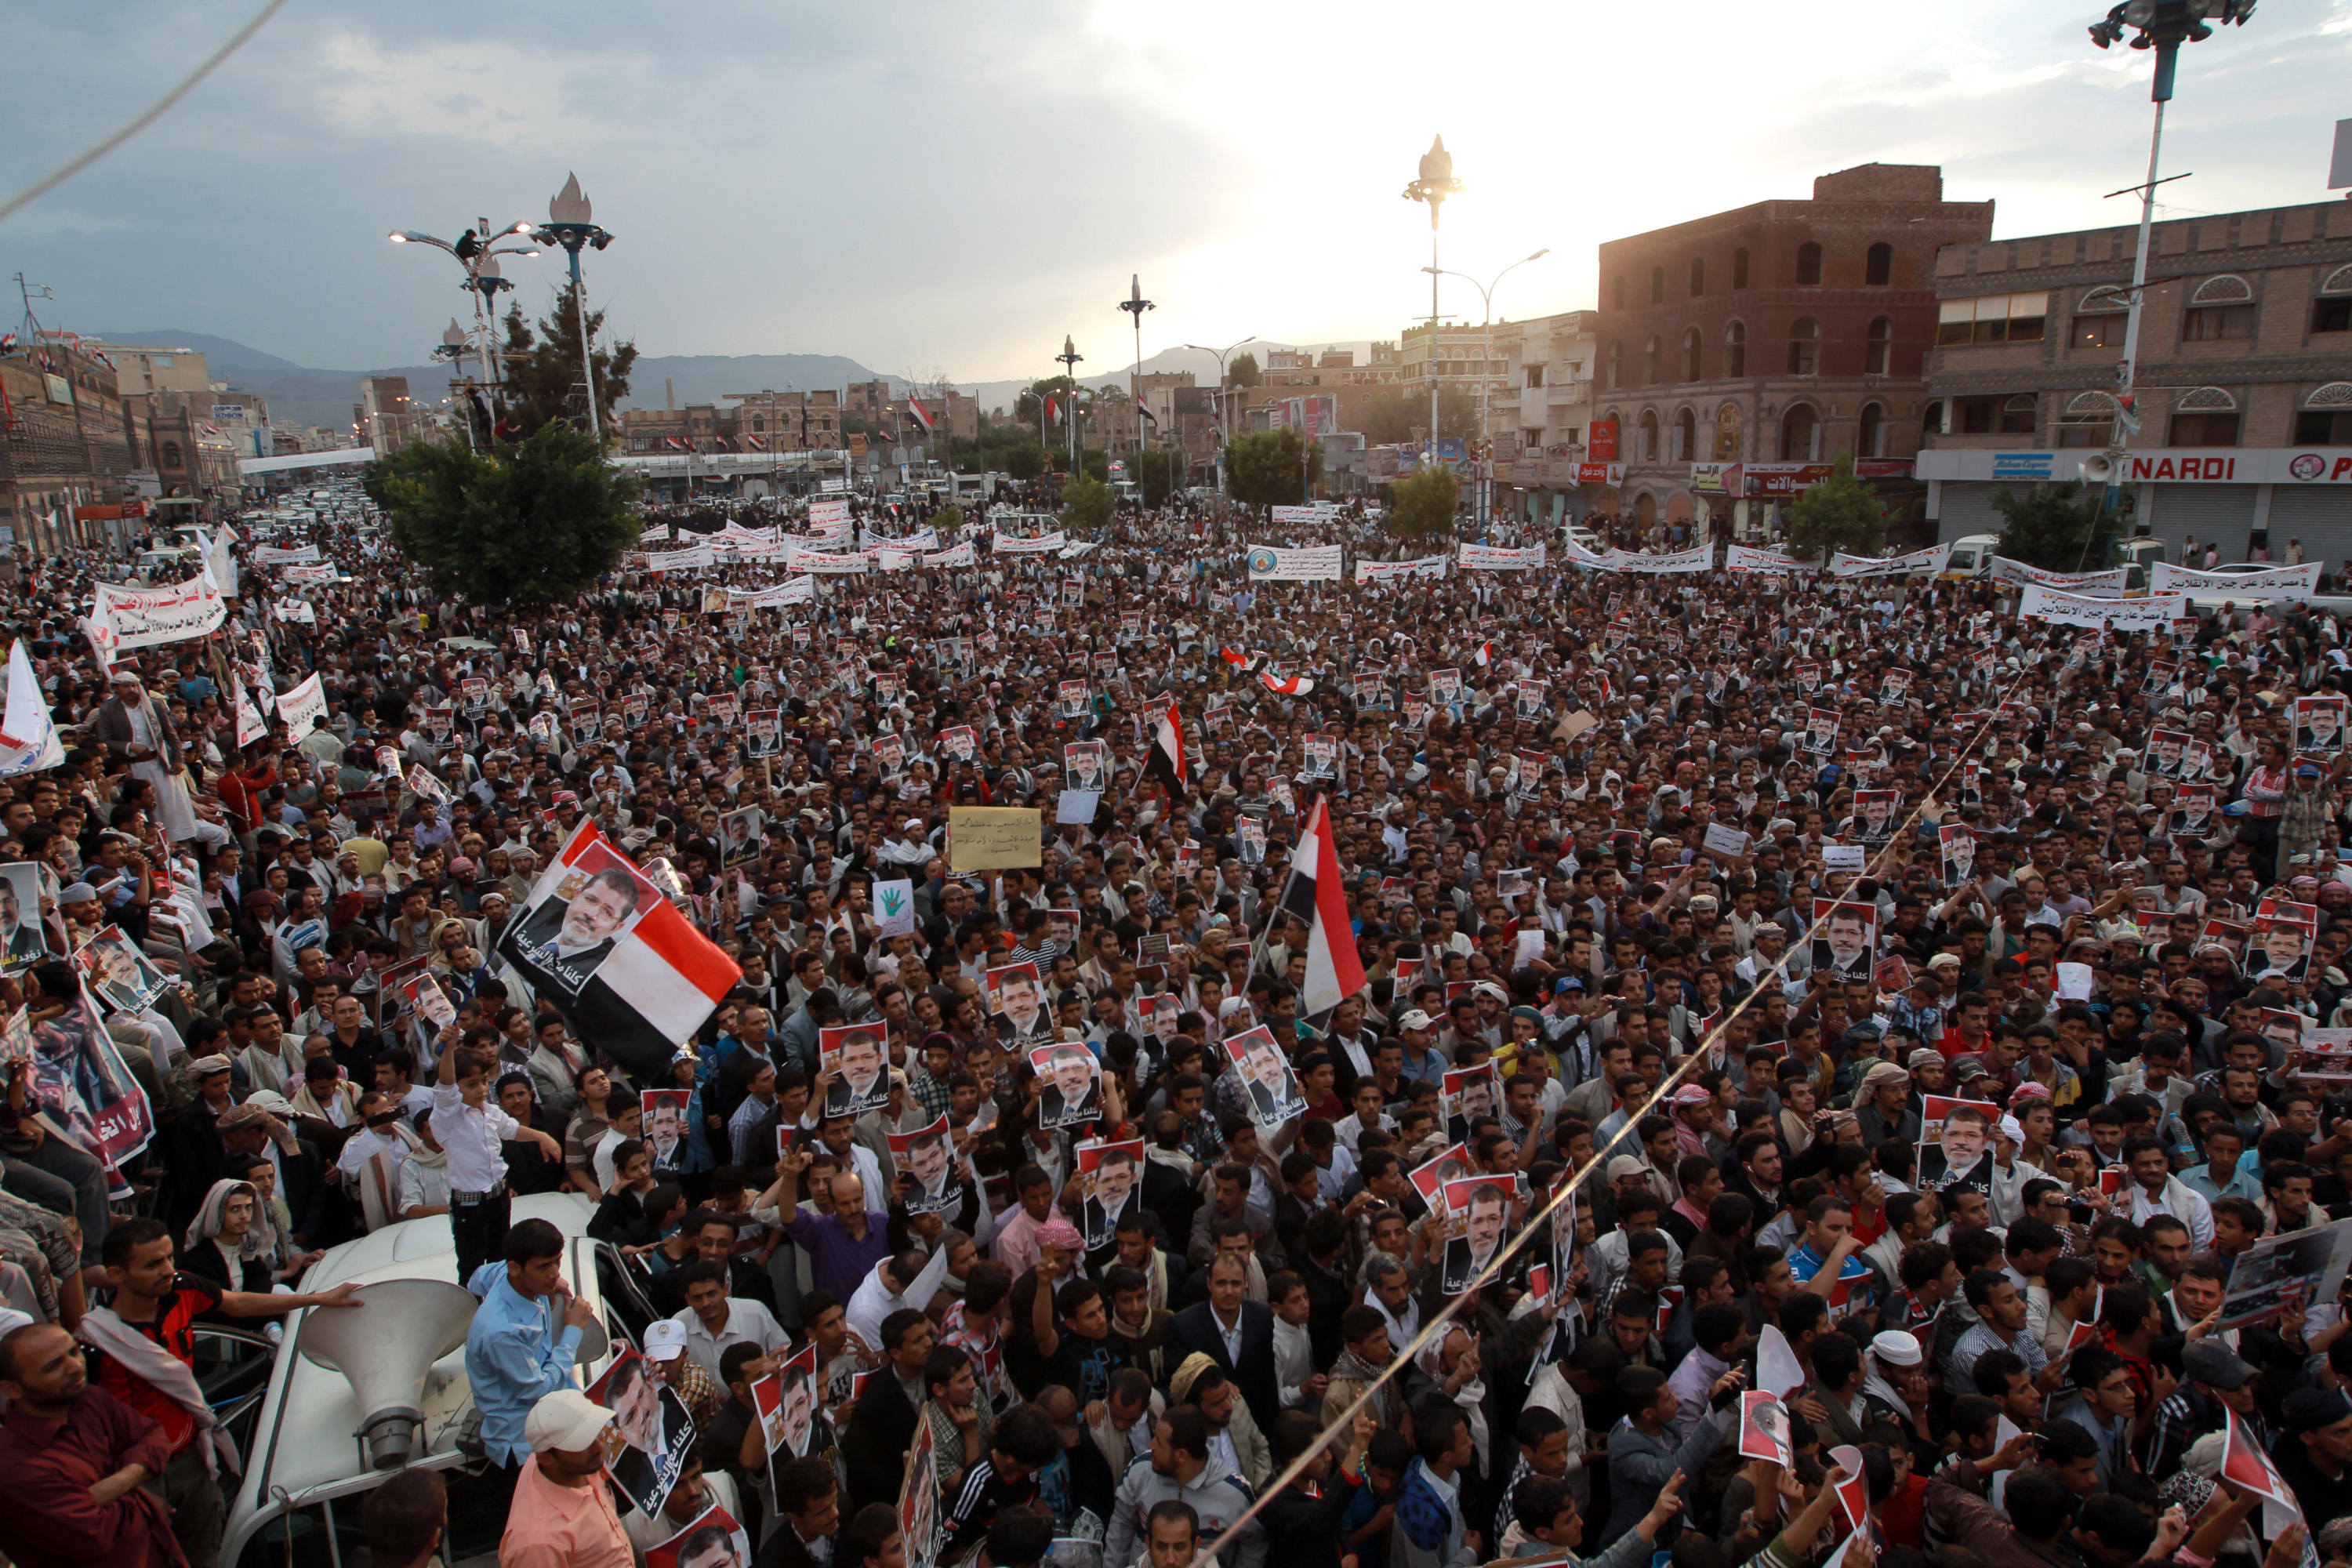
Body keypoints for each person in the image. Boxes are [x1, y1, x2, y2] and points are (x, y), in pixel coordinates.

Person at [81, 1218, 359, 1568]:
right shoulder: (94, 1346)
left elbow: (237, 1303)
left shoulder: (182, 1288)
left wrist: (319, 1299)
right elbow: (87, 1434)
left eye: (169, 1257)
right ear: (117, 1275)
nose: (168, 1270)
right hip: (137, 1476)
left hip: (192, 1459)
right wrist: (129, 1489)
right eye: (153, 1264)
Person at [0, 1319, 185, 1568]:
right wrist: (138, 1493)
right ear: (12, 1389)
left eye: (74, 1351)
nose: (76, 1367)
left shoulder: (90, 1400)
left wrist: (121, 1482)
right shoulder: (14, 1467)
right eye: (53, 1366)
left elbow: (154, 1434)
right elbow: (92, 1536)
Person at [465, 1218, 598, 1490]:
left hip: (555, 1418)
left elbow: (476, 1280)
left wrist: (549, 1283)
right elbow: (537, 1389)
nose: (554, 1274)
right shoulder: (500, 1331)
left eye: (557, 1262)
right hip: (527, 1446)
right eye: (543, 1267)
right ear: (515, 1268)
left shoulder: (507, 1271)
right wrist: (574, 1331)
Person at [499, 1389, 634, 1568]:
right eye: (581, 1443)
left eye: (593, 1432)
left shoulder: (569, 1462)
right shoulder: (537, 1545)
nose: (599, 1447)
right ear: (546, 1458)